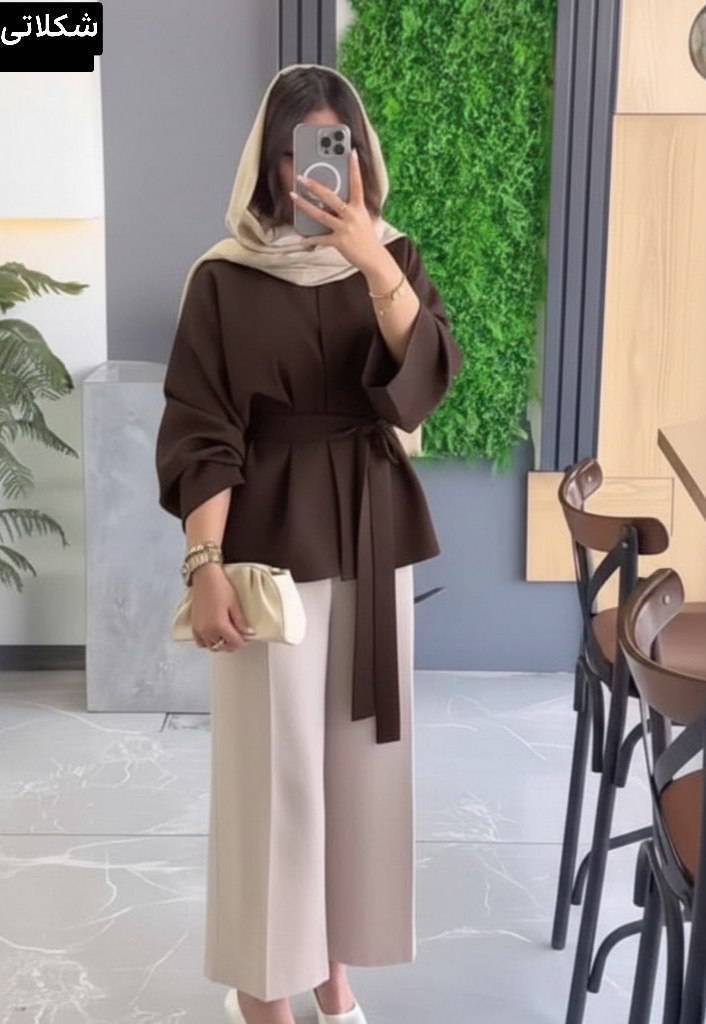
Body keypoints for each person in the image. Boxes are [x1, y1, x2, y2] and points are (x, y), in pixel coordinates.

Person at [155, 62, 463, 1024]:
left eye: (339, 149)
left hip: (371, 534)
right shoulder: (223, 278)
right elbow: (203, 427)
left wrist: (374, 261)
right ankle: (263, 989)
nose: (320, 174)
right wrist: (204, 566)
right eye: (302, 155)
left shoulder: (393, 258)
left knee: (358, 772)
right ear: (270, 165)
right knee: (273, 779)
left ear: (360, 157)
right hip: (267, 546)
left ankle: (334, 972)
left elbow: (426, 380)